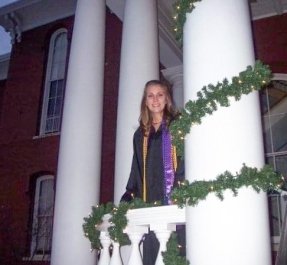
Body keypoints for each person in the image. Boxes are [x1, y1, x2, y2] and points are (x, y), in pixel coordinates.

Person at [121, 79, 185, 265]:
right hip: (149, 202)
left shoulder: (178, 126)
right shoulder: (140, 135)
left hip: (174, 199)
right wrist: (129, 193)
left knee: (175, 251)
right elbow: (137, 166)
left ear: (167, 99)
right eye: (150, 95)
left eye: (160, 94)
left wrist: (179, 190)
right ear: (145, 101)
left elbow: (186, 160)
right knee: (151, 253)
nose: (155, 99)